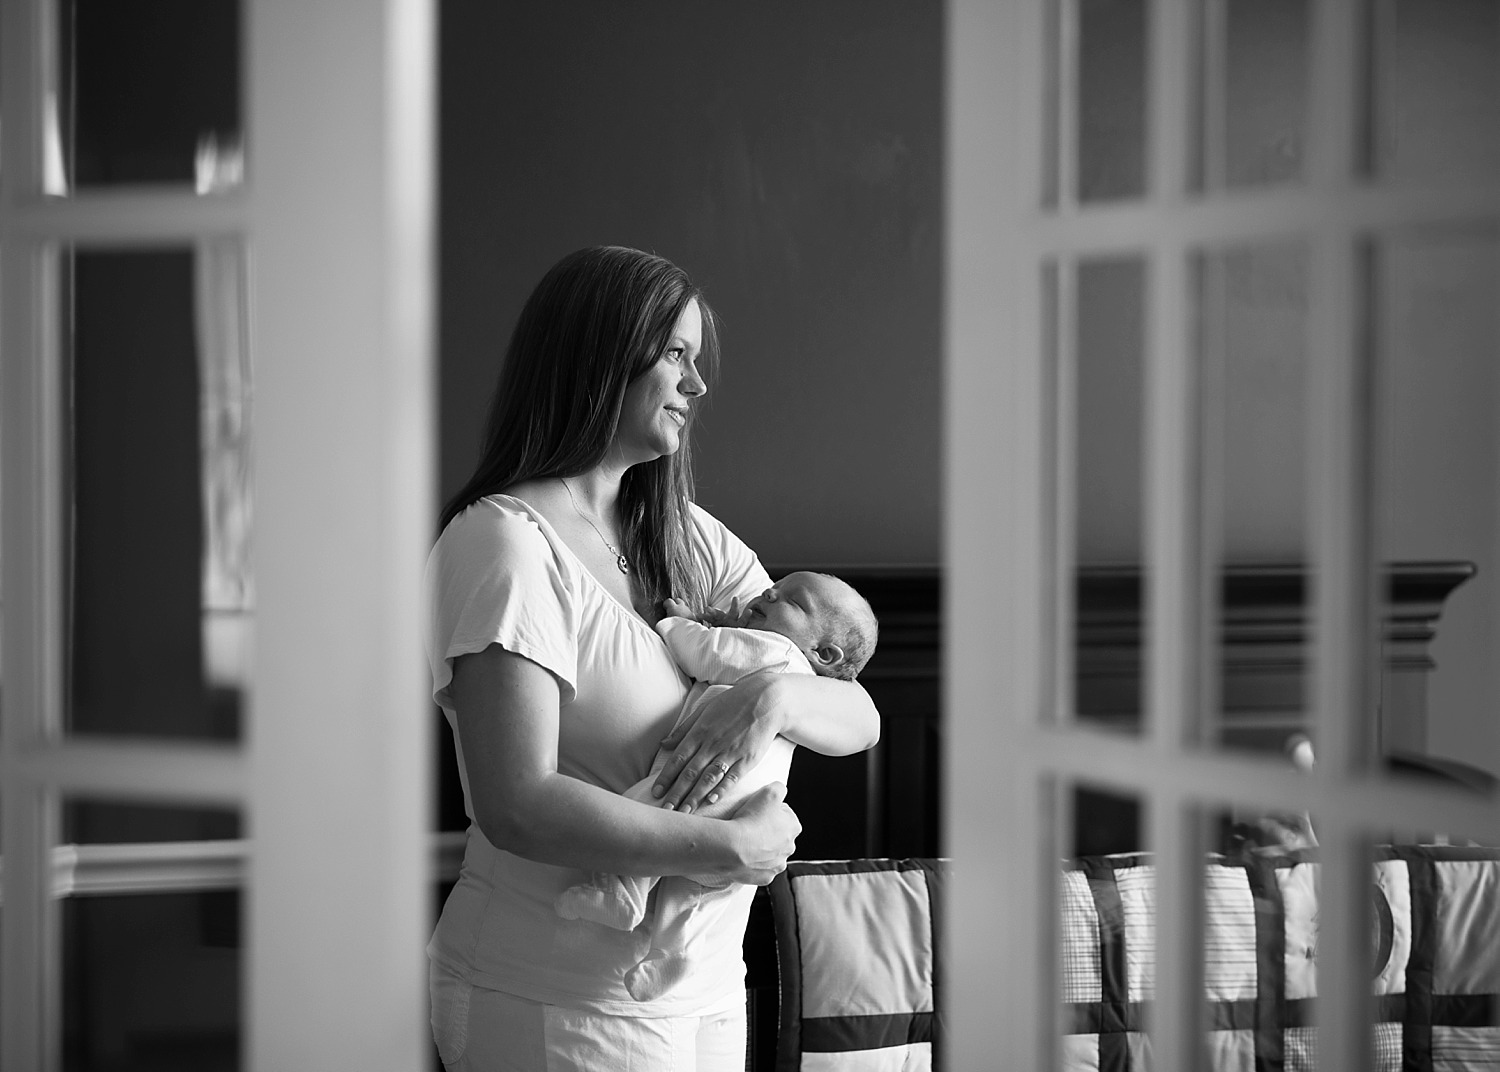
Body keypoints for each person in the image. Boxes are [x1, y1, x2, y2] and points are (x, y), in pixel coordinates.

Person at [425, 246, 881, 1071]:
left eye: (696, 359)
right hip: (553, 1001)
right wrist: (726, 850)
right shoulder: (504, 547)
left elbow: (858, 713)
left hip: (705, 992)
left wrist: (772, 700)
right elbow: (515, 802)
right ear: (599, 355)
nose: (698, 386)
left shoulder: (688, 536)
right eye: (676, 354)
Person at [555, 570, 879, 1001]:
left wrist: (675, 623)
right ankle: (674, 952)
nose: (768, 592)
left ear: (823, 653)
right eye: (773, 588)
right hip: (746, 816)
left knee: (640, 805)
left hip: (700, 793)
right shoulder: (811, 686)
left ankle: (620, 892)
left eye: (791, 602)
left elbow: (706, 652)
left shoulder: (775, 652)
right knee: (693, 892)